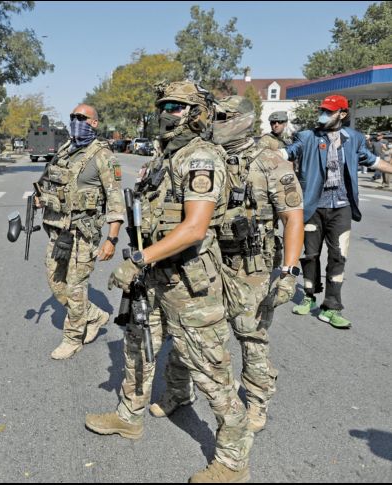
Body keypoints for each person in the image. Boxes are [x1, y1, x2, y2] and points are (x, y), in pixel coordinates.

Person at [87, 81, 254, 483]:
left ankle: (233, 462)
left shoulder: (200, 157)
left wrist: (138, 259)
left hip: (190, 285)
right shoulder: (167, 156)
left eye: (178, 107)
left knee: (212, 373)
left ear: (197, 113)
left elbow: (195, 228)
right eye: (164, 106)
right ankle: (129, 416)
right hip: (156, 277)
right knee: (138, 350)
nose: (168, 113)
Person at [168, 95, 303, 434]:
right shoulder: (205, 156)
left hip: (251, 265)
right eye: (216, 116)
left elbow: (293, 217)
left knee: (250, 335)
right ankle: (178, 391)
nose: (217, 122)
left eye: (225, 116)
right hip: (207, 260)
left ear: (244, 119)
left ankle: (257, 403)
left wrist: (288, 271)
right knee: (191, 330)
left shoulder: (270, 161)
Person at [285, 95, 392, 329]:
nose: (323, 114)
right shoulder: (307, 136)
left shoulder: (353, 138)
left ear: (342, 114)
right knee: (310, 255)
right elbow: (288, 153)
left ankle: (331, 308)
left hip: (341, 207)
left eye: (329, 111)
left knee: (338, 257)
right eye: (322, 110)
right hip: (314, 206)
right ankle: (309, 295)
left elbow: (372, 161)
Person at [34, 103, 124, 360]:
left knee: (76, 286)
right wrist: (43, 198)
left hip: (83, 234)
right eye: (73, 116)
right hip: (57, 230)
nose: (76, 121)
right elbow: (52, 182)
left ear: (94, 123)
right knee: (55, 281)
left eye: (81, 117)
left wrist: (112, 239)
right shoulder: (65, 149)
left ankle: (73, 338)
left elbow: (116, 201)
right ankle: (94, 316)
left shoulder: (103, 156)